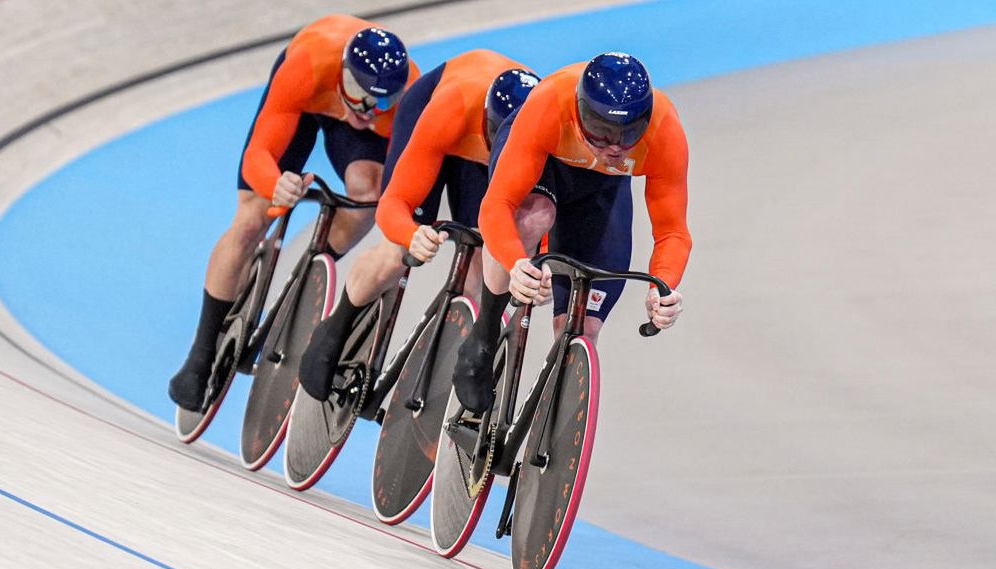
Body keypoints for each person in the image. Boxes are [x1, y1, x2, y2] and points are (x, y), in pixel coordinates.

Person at [168, 14, 419, 411]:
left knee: (369, 194)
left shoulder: (400, 102)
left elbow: (400, 188)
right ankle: (200, 352)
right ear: (344, 78)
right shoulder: (306, 66)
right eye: (366, 100)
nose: (372, 112)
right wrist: (275, 185)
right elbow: (258, 157)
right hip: (308, 98)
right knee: (252, 217)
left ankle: (305, 278)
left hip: (349, 105)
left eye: (384, 102)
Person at [296, 49, 540, 402]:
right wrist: (412, 233)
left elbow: (539, 217)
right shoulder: (450, 110)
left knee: (483, 263)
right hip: (445, 113)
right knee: (399, 252)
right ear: (487, 122)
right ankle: (335, 326)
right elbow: (393, 204)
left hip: (486, 138)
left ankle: (444, 369)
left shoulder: (540, 134)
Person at [453, 52, 690, 414]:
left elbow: (672, 231)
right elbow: (496, 205)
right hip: (545, 163)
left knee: (583, 327)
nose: (613, 145)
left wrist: (664, 285)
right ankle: (483, 337)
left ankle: (551, 436)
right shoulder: (550, 103)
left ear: (646, 119)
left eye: (629, 133)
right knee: (534, 217)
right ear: (579, 111)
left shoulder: (664, 129)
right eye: (601, 130)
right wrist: (517, 263)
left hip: (601, 187)